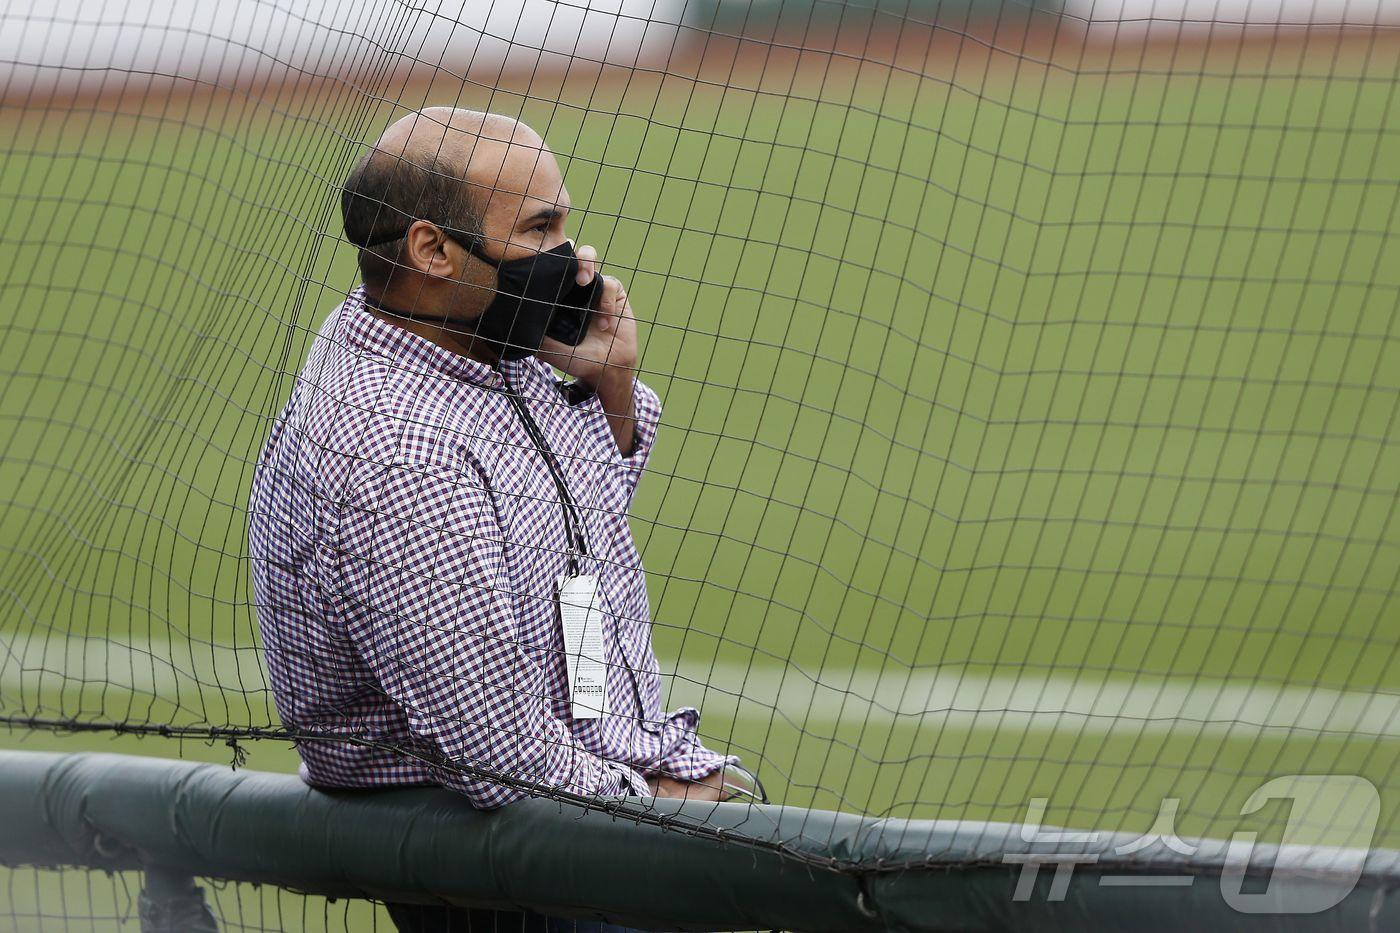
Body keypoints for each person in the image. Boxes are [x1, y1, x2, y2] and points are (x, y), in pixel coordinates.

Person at [247, 108, 756, 931]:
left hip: (571, 814)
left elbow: (568, 533)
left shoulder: (463, 339)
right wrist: (656, 802)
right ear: (432, 249)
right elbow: (495, 750)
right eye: (540, 228)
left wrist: (610, 384)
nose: (576, 259)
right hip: (510, 869)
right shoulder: (396, 451)